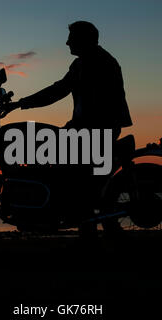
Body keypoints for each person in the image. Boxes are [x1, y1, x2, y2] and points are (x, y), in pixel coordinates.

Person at [9, 21, 133, 239]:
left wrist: (22, 103)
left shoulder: (97, 62)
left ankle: (73, 225)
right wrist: (22, 103)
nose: (67, 42)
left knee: (71, 174)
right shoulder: (84, 62)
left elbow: (68, 93)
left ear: (83, 39)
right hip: (91, 127)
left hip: (97, 129)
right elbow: (60, 89)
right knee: (66, 172)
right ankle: (77, 227)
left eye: (71, 37)